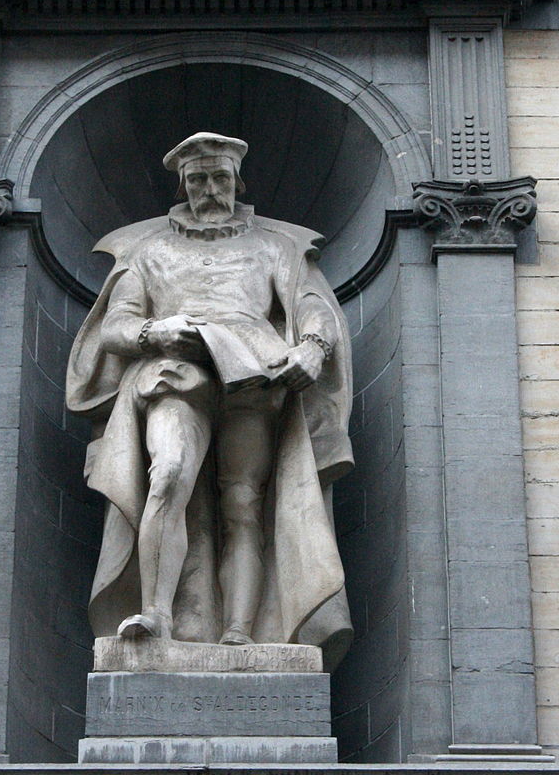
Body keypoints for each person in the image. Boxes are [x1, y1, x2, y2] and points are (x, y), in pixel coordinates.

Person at [66, 132, 354, 668]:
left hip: (254, 375)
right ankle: (156, 613)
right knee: (169, 473)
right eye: (197, 179)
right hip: (174, 369)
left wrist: (313, 348)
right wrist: (154, 332)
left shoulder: (274, 246)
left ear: (237, 182)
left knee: (243, 504)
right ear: (182, 186)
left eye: (220, 177)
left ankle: (240, 633)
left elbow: (312, 304)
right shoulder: (150, 251)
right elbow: (115, 325)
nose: (210, 189)